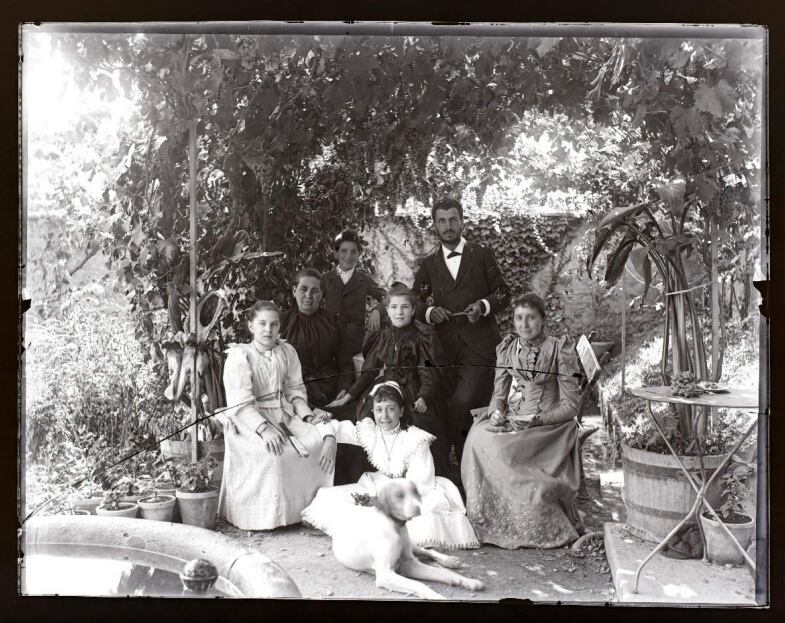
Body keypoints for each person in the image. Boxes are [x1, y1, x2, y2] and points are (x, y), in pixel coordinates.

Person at [460, 293, 584, 549]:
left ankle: (522, 517)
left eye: (531, 318)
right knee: (478, 436)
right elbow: (499, 395)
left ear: (542, 319)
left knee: (500, 448)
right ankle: (488, 516)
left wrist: (537, 420)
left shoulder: (559, 348)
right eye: (519, 318)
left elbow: (571, 406)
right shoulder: (508, 348)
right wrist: (496, 411)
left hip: (550, 427)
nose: (524, 325)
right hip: (517, 416)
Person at [303, 380, 479, 550]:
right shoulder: (370, 431)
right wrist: (330, 438)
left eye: (390, 409)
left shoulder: (415, 439)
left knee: (419, 519)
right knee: (329, 497)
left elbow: (420, 484)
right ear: (373, 411)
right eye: (379, 410)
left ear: (401, 411)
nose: (384, 416)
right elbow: (334, 426)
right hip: (379, 484)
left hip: (413, 493)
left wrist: (383, 500)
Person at [412, 198, 511, 478]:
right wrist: (430, 311)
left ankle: (464, 461)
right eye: (441, 221)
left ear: (462, 221)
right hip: (444, 350)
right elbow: (414, 301)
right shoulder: (430, 264)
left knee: (464, 400)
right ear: (434, 225)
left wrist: (483, 306)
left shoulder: (482, 254)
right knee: (442, 403)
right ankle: (453, 469)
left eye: (453, 219)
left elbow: (503, 293)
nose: (448, 226)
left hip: (479, 347)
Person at [217, 301, 336, 531]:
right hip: (250, 419)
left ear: (280, 326)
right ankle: (268, 516)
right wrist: (263, 428)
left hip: (284, 415)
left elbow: (295, 390)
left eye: (273, 324)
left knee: (315, 443)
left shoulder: (287, 352)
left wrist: (307, 417)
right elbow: (240, 400)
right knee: (275, 456)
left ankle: (310, 512)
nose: (268, 330)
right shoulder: (240, 356)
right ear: (250, 326)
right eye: (261, 323)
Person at [326, 283, 451, 478]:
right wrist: (349, 396)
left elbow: (427, 372)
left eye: (404, 307)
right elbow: (369, 373)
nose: (399, 312)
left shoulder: (422, 338)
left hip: (413, 389)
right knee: (362, 418)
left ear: (412, 310)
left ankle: (408, 474)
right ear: (387, 310)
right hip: (386, 386)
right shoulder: (383, 337)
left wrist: (424, 397)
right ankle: (372, 472)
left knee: (415, 422)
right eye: (394, 307)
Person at [280, 267, 372, 484]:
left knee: (353, 420)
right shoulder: (282, 324)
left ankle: (350, 485)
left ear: (322, 295)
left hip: (331, 390)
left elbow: (344, 362)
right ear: (294, 291)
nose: (309, 296)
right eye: (303, 289)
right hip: (298, 395)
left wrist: (344, 389)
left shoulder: (333, 321)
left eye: (315, 291)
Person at [323, 230, 388, 369]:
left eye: (354, 252)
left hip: (354, 345)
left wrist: (377, 310)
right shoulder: (326, 279)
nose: (348, 256)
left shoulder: (363, 279)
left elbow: (387, 298)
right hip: (329, 343)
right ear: (336, 253)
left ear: (359, 254)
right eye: (343, 251)